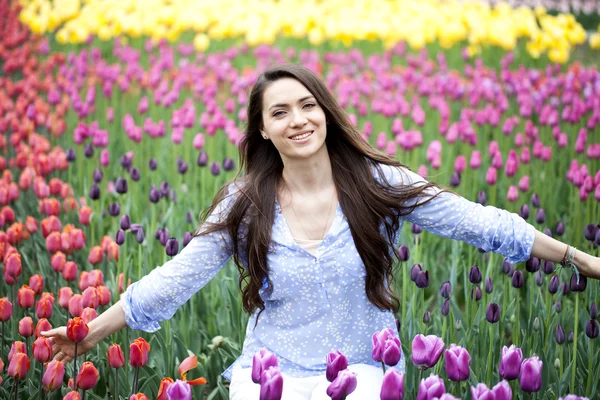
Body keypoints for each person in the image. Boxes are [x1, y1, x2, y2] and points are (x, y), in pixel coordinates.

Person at [43, 64, 600, 399]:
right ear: (262, 128)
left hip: (365, 375)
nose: (299, 119)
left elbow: (482, 224)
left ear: (326, 113)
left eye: (308, 105)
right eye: (280, 112)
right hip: (271, 379)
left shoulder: (377, 183)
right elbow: (175, 279)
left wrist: (579, 258)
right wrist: (88, 333)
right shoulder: (246, 203)